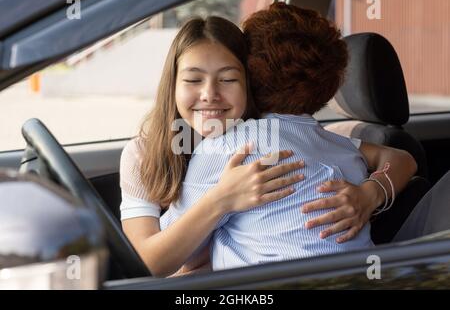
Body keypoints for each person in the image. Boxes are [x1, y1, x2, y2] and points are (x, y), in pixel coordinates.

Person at [120, 14, 416, 277]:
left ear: (252, 81)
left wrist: (371, 193)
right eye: (193, 79)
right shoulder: (144, 154)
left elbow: (399, 158)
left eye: (228, 79)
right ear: (172, 83)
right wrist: (220, 199)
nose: (209, 94)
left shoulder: (252, 143)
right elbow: (155, 263)